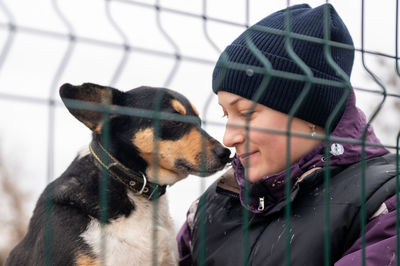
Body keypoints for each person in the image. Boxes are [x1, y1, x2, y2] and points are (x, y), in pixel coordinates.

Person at [176, 3, 398, 266]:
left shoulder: (384, 203)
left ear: (309, 113)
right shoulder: (210, 206)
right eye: (226, 115)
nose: (228, 138)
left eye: (246, 113)